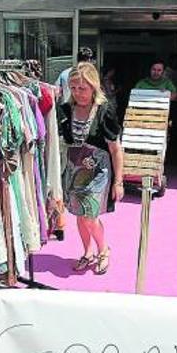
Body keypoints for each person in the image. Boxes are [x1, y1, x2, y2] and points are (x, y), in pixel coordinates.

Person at [58, 62, 123, 275]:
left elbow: (115, 149)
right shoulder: (66, 109)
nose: (78, 93)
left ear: (94, 86)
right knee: (78, 214)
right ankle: (87, 252)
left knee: (89, 216)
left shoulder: (105, 111)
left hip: (98, 171)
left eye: (82, 88)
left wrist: (118, 181)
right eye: (74, 88)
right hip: (74, 169)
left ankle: (103, 250)